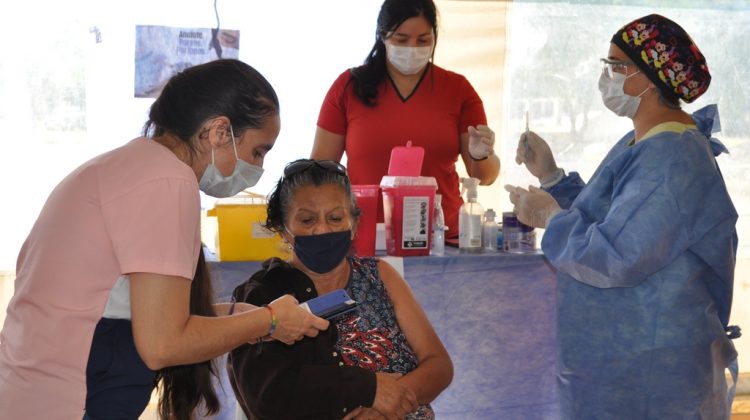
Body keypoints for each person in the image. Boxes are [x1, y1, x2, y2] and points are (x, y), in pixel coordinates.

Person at [0, 59, 329, 419]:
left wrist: (235, 317)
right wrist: (268, 320)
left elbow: (135, 310)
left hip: (34, 386)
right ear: (220, 131)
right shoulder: (168, 181)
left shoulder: (132, 163)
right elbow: (163, 343)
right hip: (68, 398)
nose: (257, 166)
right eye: (258, 151)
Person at [505, 14, 740, 419]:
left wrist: (550, 217)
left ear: (648, 77)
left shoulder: (672, 158)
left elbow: (615, 253)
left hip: (652, 365)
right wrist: (552, 177)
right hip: (625, 358)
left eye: (616, 66)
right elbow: (612, 216)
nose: (607, 76)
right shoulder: (646, 141)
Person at [227, 158, 453, 419]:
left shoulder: (378, 275)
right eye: (307, 220)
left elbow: (439, 366)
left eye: (335, 218)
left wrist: (384, 405)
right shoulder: (262, 295)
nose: (322, 229)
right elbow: (267, 398)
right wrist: (370, 391)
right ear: (283, 231)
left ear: (354, 225)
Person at [312, 0, 499, 239]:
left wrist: (482, 155)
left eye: (423, 40)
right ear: (382, 35)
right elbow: (318, 171)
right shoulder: (348, 87)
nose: (412, 47)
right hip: (366, 236)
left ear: (435, 37)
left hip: (442, 239)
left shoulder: (458, 89)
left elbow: (485, 176)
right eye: (401, 39)